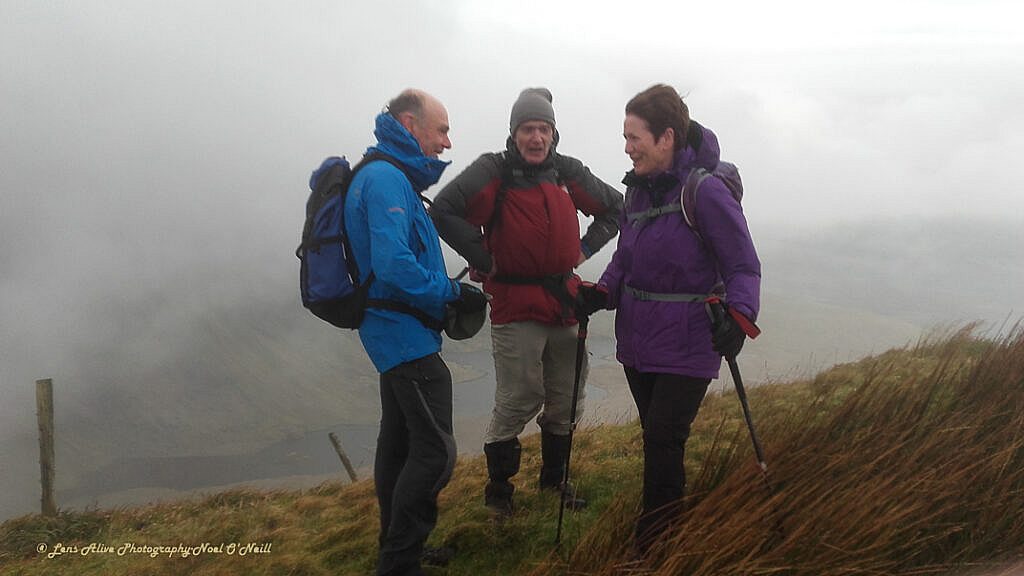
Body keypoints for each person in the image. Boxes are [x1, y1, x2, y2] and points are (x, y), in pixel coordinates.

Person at [578, 84, 761, 551]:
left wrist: (738, 318)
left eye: (634, 136)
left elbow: (742, 264)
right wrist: (602, 290)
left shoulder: (704, 192)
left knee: (663, 438)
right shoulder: (637, 193)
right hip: (640, 341)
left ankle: (654, 541)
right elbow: (626, 256)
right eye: (625, 137)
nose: (627, 146)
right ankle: (663, 524)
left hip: (689, 340)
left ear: (666, 138)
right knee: (657, 440)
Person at [430, 87, 623, 515]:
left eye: (544, 129)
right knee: (518, 398)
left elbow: (616, 207)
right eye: (527, 129)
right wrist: (484, 259)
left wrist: (585, 250)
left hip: (564, 302)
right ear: (514, 134)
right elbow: (443, 210)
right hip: (516, 305)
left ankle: (555, 482)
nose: (536, 138)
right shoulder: (493, 171)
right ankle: (499, 493)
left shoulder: (566, 172)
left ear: (554, 134)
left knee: (567, 396)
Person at [341, 88, 487, 576]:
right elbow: (393, 265)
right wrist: (448, 294)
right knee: (436, 453)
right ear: (409, 123)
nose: (447, 142)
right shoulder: (385, 179)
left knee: (400, 446)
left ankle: (396, 550)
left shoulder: (389, 176)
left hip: (395, 333)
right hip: (403, 336)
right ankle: (400, 562)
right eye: (440, 129)